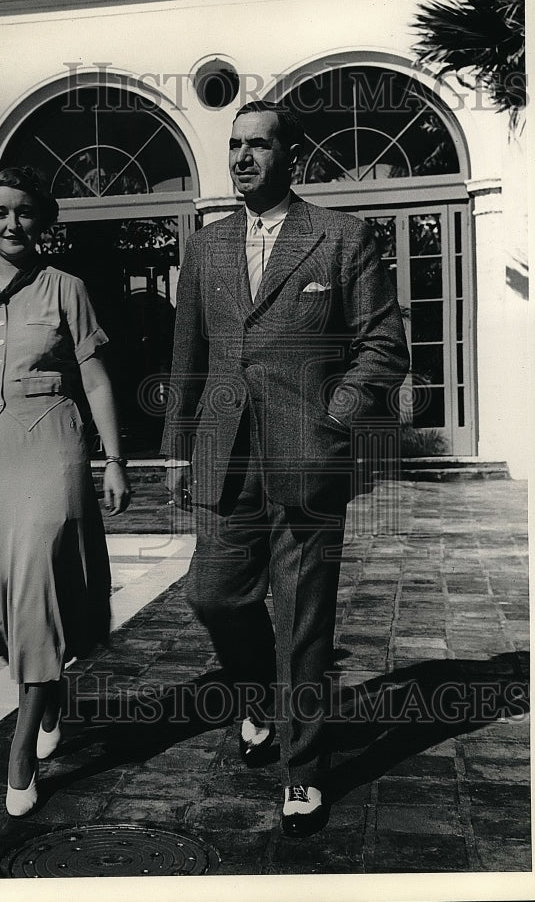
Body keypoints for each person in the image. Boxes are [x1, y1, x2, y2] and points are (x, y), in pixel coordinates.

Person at [162, 101, 409, 836]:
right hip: (224, 459)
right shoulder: (204, 248)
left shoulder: (340, 237)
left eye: (257, 145)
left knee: (302, 624)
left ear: (289, 156)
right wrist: (179, 448)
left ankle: (303, 771)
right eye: (233, 145)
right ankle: (257, 698)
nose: (241, 157)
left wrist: (333, 416)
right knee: (212, 597)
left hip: (305, 462)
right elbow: (187, 358)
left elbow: (383, 346)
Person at [0, 165, 130, 816]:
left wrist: (115, 458)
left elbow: (94, 378)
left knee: (37, 572)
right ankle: (47, 690)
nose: (13, 224)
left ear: (44, 221)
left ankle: (18, 754)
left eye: (25, 213)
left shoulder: (66, 288)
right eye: (0, 212)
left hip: (52, 442)